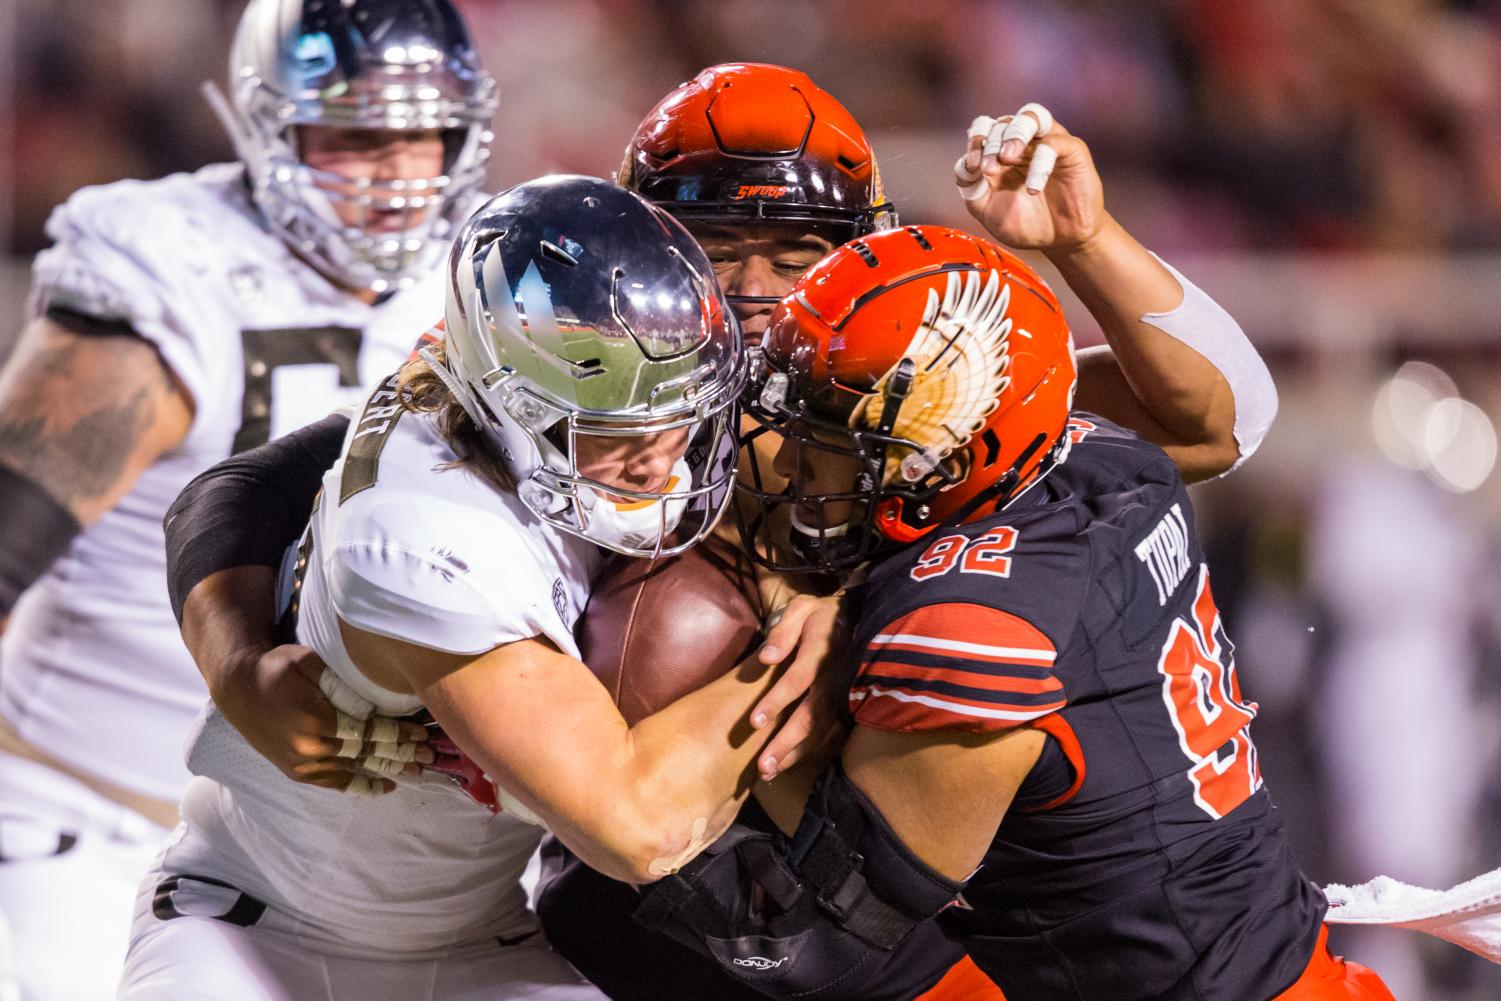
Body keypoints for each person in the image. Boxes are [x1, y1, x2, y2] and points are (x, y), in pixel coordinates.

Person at [161, 71, 1280, 1000]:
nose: (751, 291)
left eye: (795, 253)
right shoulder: (562, 358)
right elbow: (254, 483)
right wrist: (240, 662)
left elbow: (1211, 421)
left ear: (863, 252)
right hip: (520, 870)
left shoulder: (875, 379)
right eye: (711, 241)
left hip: (775, 861)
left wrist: (1082, 244)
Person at [633, 221, 1395, 1001]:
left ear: (947, 461)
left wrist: (604, 805)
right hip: (1287, 965)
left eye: (829, 437)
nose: (789, 461)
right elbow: (1218, 414)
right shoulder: (1104, 460)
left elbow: (797, 943)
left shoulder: (968, 631)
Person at [118, 175, 821, 1000]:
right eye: (609, 429)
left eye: (680, 416)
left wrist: (237, 659)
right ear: (506, 407)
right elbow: (641, 828)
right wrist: (819, 637)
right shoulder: (425, 532)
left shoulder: (501, 366)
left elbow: (237, 486)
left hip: (482, 938)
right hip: (253, 934)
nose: (660, 458)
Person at [0, 2, 495, 997]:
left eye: (423, 133)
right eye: (355, 133)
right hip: (89, 825)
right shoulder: (179, 265)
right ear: (269, 125)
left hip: (357, 879)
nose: (396, 170)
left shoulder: (485, 279)